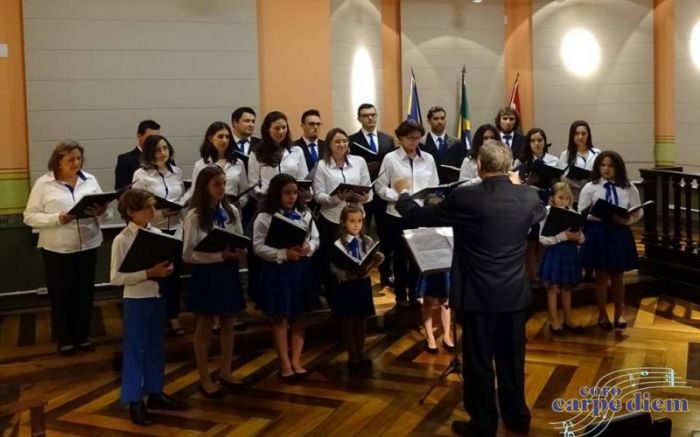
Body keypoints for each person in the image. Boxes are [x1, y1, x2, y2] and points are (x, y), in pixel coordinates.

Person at [394, 141, 546, 437]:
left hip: (478, 294)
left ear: (479, 165)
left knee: (478, 363)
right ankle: (517, 416)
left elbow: (419, 218)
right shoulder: (529, 197)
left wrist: (402, 195)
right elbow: (539, 211)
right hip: (514, 294)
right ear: (509, 167)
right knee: (512, 360)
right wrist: (516, 183)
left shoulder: (467, 197)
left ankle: (483, 423)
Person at [110, 188, 188, 426]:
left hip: (156, 296)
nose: (153, 211)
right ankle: (134, 400)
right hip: (136, 300)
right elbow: (116, 277)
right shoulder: (122, 239)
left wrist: (166, 270)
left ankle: (156, 392)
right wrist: (149, 273)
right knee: (136, 350)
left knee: (155, 347)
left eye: (154, 206)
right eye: (147, 207)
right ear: (131, 211)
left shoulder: (156, 234)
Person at [24, 141, 109, 356]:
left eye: (78, 158)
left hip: (88, 244)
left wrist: (101, 211)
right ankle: (65, 338)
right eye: (70, 159)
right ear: (58, 162)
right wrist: (57, 218)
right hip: (57, 249)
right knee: (62, 294)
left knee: (84, 293)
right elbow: (29, 216)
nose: (76, 163)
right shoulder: (44, 184)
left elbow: (106, 214)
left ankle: (82, 336)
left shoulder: (90, 180)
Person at [182, 165, 248, 397]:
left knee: (229, 322)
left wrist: (239, 251)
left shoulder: (231, 211)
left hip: (228, 271)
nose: (222, 189)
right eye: (216, 184)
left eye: (223, 183)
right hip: (207, 273)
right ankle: (204, 377)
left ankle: (226, 371)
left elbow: (239, 238)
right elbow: (188, 254)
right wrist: (219, 255)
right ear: (204, 187)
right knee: (205, 326)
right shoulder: (195, 216)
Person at [253, 174, 320, 382]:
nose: (291, 197)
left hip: (300, 269)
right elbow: (258, 247)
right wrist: (283, 254)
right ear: (277, 194)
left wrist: (309, 247)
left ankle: (297, 360)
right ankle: (284, 362)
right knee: (280, 317)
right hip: (278, 271)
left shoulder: (304, 213)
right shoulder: (265, 217)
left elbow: (315, 238)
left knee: (300, 316)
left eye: (294, 192)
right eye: (286, 193)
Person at [375, 119, 438, 308]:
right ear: (401, 137)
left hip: (420, 213)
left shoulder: (428, 158)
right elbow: (380, 187)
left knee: (418, 257)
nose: (414, 142)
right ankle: (401, 295)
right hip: (397, 214)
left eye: (418, 138)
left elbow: (433, 186)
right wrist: (400, 196)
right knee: (400, 257)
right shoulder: (391, 158)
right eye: (410, 138)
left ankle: (416, 293)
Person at [578, 151, 642, 331]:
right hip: (598, 231)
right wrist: (594, 212)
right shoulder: (591, 187)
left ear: (618, 168)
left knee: (618, 275)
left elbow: (638, 211)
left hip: (619, 231)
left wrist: (626, 220)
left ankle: (619, 314)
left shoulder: (628, 187)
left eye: (610, 166)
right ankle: (602, 314)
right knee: (601, 275)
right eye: (603, 165)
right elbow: (582, 212)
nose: (606, 169)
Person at [131, 135, 186, 336]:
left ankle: (173, 317)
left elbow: (180, 196)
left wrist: (181, 205)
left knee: (174, 276)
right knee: (156, 276)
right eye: (157, 150)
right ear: (149, 153)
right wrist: (161, 213)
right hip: (153, 230)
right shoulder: (141, 174)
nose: (162, 153)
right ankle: (157, 318)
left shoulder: (176, 172)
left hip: (176, 229)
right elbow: (136, 205)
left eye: (165, 148)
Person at [312, 127, 372, 298]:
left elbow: (369, 192)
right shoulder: (322, 165)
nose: (342, 144)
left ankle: (358, 295)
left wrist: (363, 197)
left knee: (357, 258)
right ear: (329, 145)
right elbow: (318, 196)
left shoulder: (359, 161)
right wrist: (337, 198)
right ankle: (334, 298)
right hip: (332, 219)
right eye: (337, 141)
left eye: (345, 141)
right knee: (334, 261)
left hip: (356, 218)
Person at [329, 205, 384, 371]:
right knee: (348, 320)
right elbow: (334, 266)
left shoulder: (366, 241)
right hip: (347, 286)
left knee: (362, 319)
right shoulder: (339, 244)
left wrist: (377, 260)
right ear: (343, 223)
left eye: (359, 221)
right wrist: (345, 274)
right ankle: (352, 352)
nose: (356, 225)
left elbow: (369, 261)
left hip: (363, 284)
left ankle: (361, 350)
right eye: (352, 221)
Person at [348, 103, 395, 286]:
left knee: (386, 235)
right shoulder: (351, 140)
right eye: (366, 115)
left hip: (383, 193)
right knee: (360, 233)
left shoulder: (387, 139)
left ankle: (386, 273)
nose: (370, 118)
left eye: (373, 115)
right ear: (358, 118)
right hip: (362, 195)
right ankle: (359, 271)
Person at [513, 127, 561, 288]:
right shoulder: (521, 161)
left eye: (540, 140)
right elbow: (514, 185)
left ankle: (543, 273)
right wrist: (527, 183)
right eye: (533, 140)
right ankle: (531, 276)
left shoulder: (553, 160)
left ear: (545, 142)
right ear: (529, 143)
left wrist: (555, 183)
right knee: (531, 241)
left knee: (544, 240)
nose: (537, 143)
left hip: (548, 200)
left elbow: (560, 183)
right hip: (529, 201)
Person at [538, 182, 586, 335]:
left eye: (567, 198)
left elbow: (580, 234)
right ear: (552, 198)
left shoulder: (571, 212)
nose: (563, 201)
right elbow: (542, 238)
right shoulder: (547, 212)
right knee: (553, 288)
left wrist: (579, 237)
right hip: (554, 251)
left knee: (566, 287)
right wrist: (562, 236)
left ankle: (568, 319)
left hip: (569, 252)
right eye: (560, 197)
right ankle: (554, 321)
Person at [184, 121, 248, 207]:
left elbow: (245, 192)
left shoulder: (238, 163)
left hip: (233, 211)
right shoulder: (200, 165)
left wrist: (239, 203)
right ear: (210, 138)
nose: (224, 140)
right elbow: (195, 192)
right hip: (209, 212)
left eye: (227, 137)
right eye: (220, 137)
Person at [420, 106, 465, 183]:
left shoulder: (456, 143)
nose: (440, 121)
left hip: (451, 187)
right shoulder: (421, 143)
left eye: (442, 118)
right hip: (429, 187)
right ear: (429, 121)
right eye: (436, 119)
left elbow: (461, 167)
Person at [559, 120, 601, 203]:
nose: (580, 137)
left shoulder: (597, 153)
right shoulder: (565, 154)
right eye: (577, 134)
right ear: (572, 136)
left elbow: (601, 174)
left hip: (593, 198)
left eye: (583, 134)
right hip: (573, 198)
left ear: (588, 135)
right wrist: (578, 184)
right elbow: (562, 177)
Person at [115, 120, 160, 190]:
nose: (154, 141)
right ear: (139, 136)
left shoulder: (166, 159)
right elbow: (122, 191)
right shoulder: (126, 160)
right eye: (150, 138)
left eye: (157, 138)